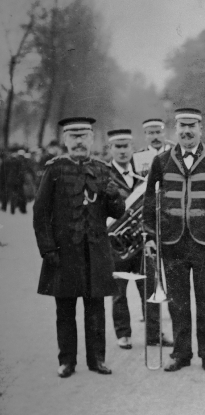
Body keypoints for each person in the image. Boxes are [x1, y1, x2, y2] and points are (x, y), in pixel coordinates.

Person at [143, 108, 205, 373]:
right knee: (178, 302)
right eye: (182, 126)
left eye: (192, 126)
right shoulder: (161, 161)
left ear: (200, 128)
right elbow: (150, 201)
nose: (186, 131)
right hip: (172, 243)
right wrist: (150, 236)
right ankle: (181, 354)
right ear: (175, 129)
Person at [33, 117, 125, 378]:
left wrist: (113, 195)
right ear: (65, 140)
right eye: (73, 136)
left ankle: (97, 360)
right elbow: (40, 213)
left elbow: (118, 213)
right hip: (63, 253)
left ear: (92, 138)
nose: (79, 141)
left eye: (84, 135)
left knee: (96, 308)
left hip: (95, 252)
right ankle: (67, 361)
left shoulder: (103, 169)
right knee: (65, 309)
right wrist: (48, 249)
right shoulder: (54, 169)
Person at [107, 129, 173, 350]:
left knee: (150, 289)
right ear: (111, 149)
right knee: (118, 292)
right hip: (115, 244)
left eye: (126, 146)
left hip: (143, 242)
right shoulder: (103, 175)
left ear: (132, 148)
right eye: (118, 147)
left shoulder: (143, 174)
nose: (123, 151)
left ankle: (154, 334)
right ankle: (123, 334)